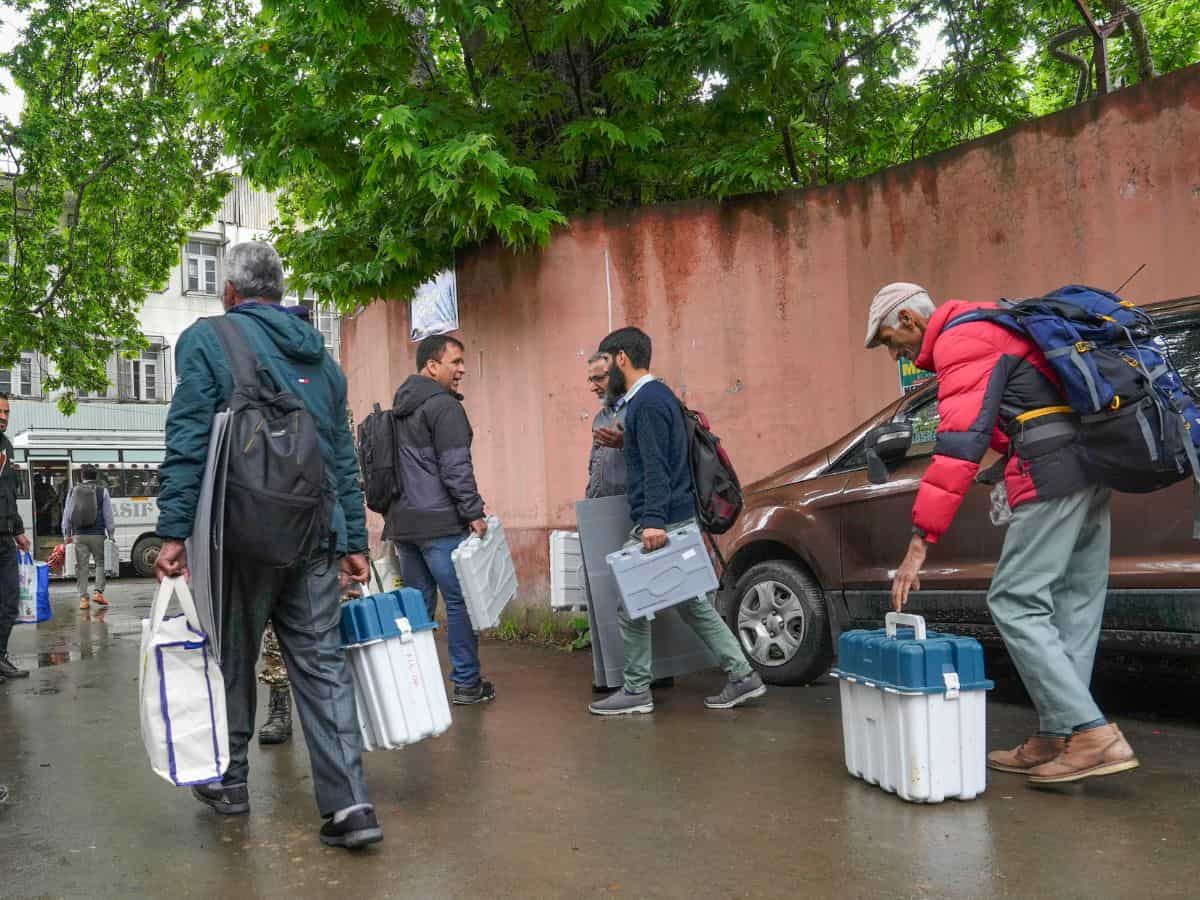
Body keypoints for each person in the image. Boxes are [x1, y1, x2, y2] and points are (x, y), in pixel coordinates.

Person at [155, 241, 381, 849]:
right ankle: (350, 807)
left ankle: (230, 781)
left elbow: (189, 438)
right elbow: (341, 456)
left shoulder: (208, 340)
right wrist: (353, 540)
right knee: (323, 666)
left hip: (239, 534)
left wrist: (173, 530)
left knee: (231, 656)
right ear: (279, 294)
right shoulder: (324, 362)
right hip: (314, 535)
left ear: (230, 292)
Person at [865, 281, 1138, 785]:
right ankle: (1061, 735)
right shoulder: (992, 321)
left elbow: (957, 446)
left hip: (1053, 470)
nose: (893, 354)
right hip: (1091, 463)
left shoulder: (960, 341)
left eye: (887, 341)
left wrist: (919, 542)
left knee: (1015, 600)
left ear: (909, 320)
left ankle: (1093, 734)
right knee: (1074, 604)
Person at [587, 327, 766, 716]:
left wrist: (651, 522)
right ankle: (742, 675)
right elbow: (665, 451)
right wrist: (626, 442)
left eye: (605, 365)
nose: (603, 378)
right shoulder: (658, 396)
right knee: (692, 604)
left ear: (621, 358)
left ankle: (636, 690)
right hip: (678, 517)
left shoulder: (646, 403)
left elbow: (657, 469)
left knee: (629, 603)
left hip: (661, 523)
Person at [383, 334, 495, 705]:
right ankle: (466, 683)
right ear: (432, 365)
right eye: (456, 362)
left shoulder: (398, 408)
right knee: (459, 600)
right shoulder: (444, 407)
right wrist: (473, 512)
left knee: (416, 607)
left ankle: (417, 689)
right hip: (440, 525)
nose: (462, 369)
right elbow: (455, 467)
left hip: (404, 525)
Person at [253, 301, 315, 748]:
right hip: (268, 528)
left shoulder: (321, 385)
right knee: (272, 630)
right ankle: (279, 703)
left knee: (317, 634)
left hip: (312, 531)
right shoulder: (260, 386)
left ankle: (324, 715)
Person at [0, 393, 32, 682]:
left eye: (7, 412)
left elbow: (8, 495)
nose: (3, 416)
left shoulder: (7, 446)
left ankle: (0, 656)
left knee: (10, 598)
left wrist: (19, 530)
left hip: (5, 537)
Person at [62, 464, 116, 611]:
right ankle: (98, 592)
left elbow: (67, 514)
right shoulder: (102, 491)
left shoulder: (73, 491)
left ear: (82, 476)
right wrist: (111, 534)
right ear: (96, 476)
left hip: (78, 535)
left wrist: (66, 534)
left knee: (82, 566)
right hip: (98, 534)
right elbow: (108, 515)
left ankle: (83, 599)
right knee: (100, 562)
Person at [587, 352, 627, 499]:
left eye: (598, 379)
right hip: (603, 509)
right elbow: (594, 468)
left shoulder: (640, 409)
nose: (592, 387)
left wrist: (625, 443)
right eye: (590, 380)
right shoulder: (600, 418)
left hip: (634, 509)